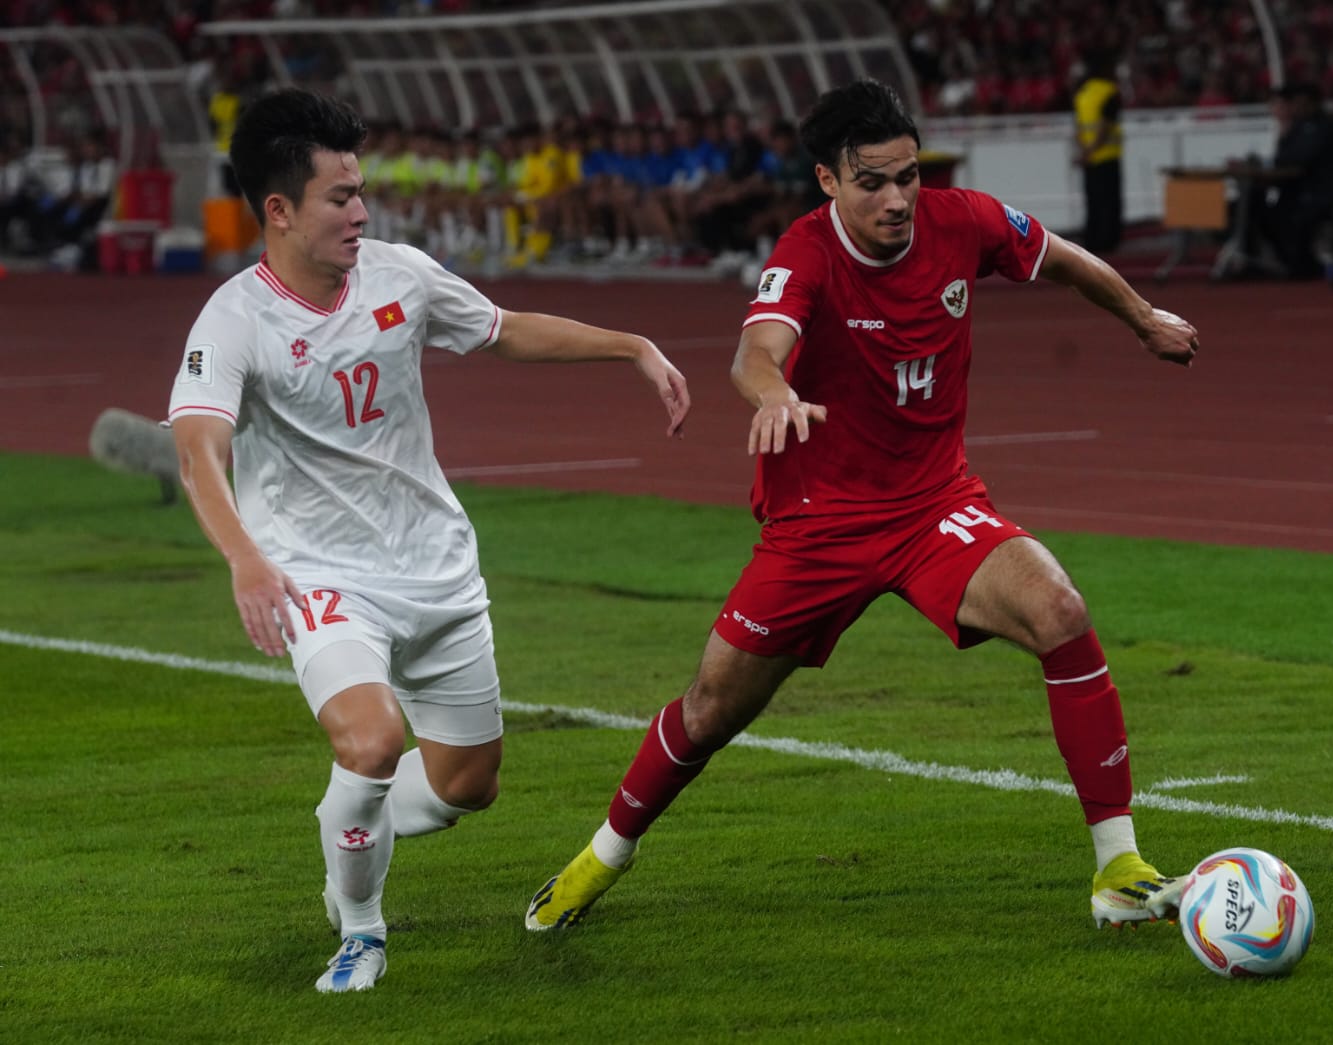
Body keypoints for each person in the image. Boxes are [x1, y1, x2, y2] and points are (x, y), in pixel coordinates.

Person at [526, 79, 1198, 935]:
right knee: (711, 709)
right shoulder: (804, 254)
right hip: (819, 526)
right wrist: (773, 396)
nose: (897, 199)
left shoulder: (967, 220)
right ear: (828, 182)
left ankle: (1119, 868)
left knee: (1060, 610)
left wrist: (1143, 319)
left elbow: (1063, 257)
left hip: (933, 506)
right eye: (873, 182)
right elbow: (755, 352)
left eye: (908, 176)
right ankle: (601, 856)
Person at [166, 88, 690, 993]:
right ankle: (360, 928)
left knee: (468, 783)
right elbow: (196, 453)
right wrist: (248, 558)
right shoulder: (234, 318)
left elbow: (505, 331)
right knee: (371, 742)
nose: (361, 211)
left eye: (361, 191)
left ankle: (347, 822)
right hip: (320, 576)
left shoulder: (401, 275)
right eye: (340, 197)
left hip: (438, 568)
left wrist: (631, 344)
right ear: (279, 210)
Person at [1259, 82, 1333, 278]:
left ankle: (1302, 265)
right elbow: (1284, 158)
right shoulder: (1299, 127)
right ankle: (1290, 261)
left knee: (1292, 214)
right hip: (1305, 188)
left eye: (1301, 103)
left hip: (1328, 189)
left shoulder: (1327, 127)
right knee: (1265, 209)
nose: (1298, 108)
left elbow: (1301, 158)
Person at [1073, 49, 1124, 256]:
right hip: (1107, 156)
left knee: (1092, 202)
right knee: (1110, 203)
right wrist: (1093, 150)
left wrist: (1085, 152)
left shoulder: (1083, 93)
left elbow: (1079, 127)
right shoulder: (1110, 91)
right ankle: (1108, 244)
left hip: (1089, 159)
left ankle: (1092, 241)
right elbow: (1104, 127)